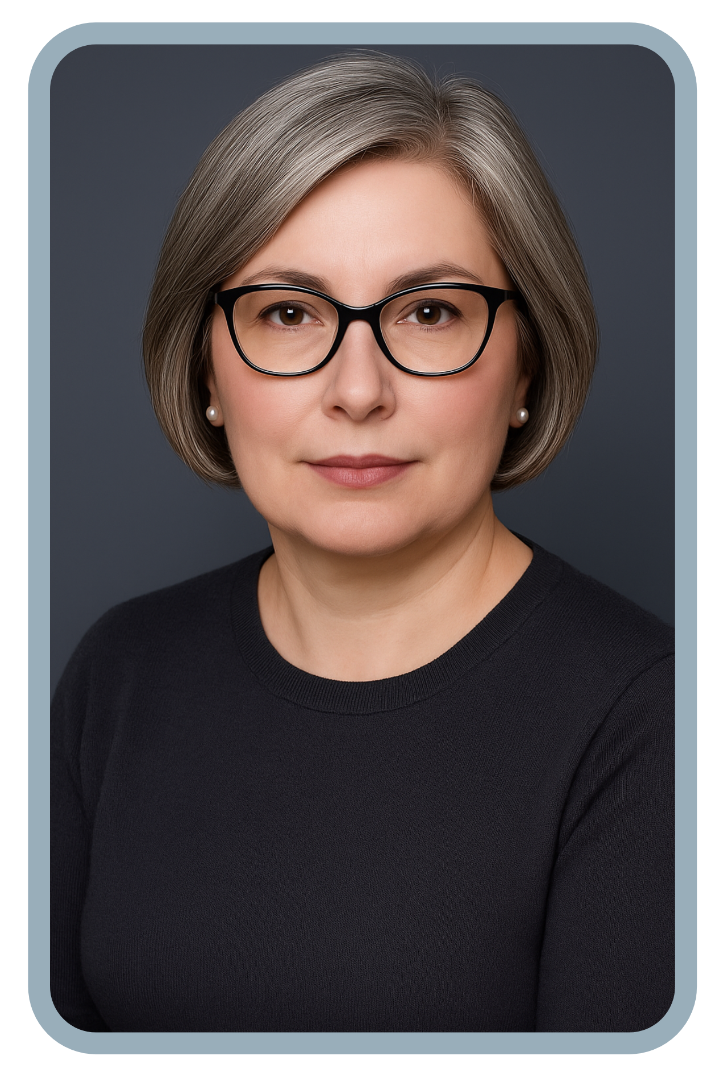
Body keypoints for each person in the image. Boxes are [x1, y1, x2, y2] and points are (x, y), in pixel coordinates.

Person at [51, 52, 674, 1033]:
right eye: (287, 312)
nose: (356, 389)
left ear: (525, 366)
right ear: (206, 369)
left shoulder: (649, 717)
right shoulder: (118, 674)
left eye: (428, 313)